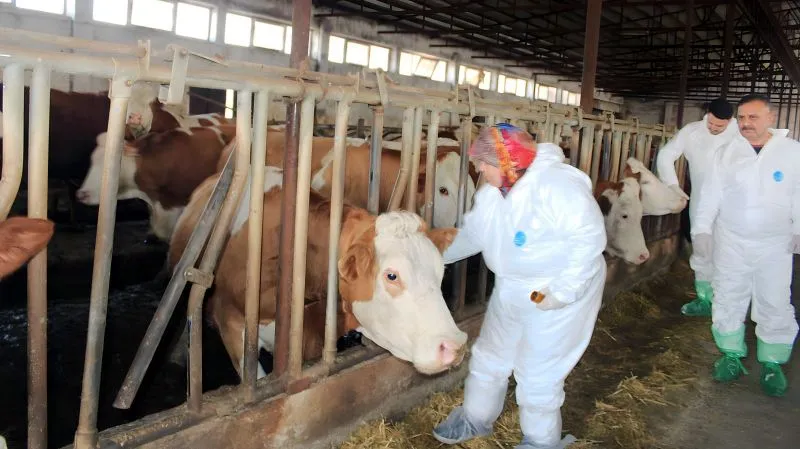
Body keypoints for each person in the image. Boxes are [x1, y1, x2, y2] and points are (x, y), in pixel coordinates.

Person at [432, 123, 607, 449]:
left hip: (557, 289)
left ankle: (541, 441)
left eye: (485, 162)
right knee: (490, 354)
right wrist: (430, 255)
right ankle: (475, 416)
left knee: (538, 370)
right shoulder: (491, 195)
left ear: (509, 162)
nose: (479, 169)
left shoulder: (557, 188)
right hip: (513, 285)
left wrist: (564, 292)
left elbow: (589, 241)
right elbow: (473, 235)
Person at [691, 94, 800, 397]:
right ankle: (730, 354)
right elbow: (711, 194)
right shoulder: (726, 152)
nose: (746, 123)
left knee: (774, 298)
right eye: (741, 118)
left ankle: (773, 360)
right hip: (732, 240)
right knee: (728, 295)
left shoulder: (792, 153)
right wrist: (702, 230)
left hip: (775, 244)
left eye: (753, 117)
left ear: (771, 118)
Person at [655, 97, 740, 317]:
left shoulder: (740, 135)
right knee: (702, 251)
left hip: (733, 203)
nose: (713, 128)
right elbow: (666, 155)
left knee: (731, 251)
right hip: (701, 201)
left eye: (719, 126)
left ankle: (729, 301)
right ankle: (704, 300)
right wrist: (672, 185)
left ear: (730, 121)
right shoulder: (691, 132)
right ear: (707, 115)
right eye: (711, 123)